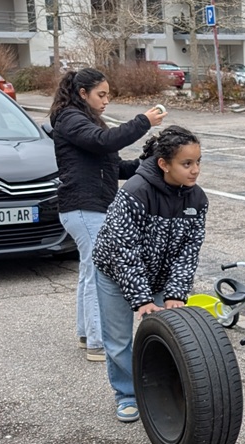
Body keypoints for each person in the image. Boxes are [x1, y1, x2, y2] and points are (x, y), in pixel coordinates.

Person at [91, 126, 206, 423]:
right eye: (187, 164)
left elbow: (188, 251)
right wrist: (141, 299)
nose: (195, 170)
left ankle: (159, 390)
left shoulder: (197, 200)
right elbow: (124, 250)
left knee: (163, 337)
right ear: (164, 164)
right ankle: (127, 394)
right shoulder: (134, 192)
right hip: (116, 273)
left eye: (197, 162)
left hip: (160, 276)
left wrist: (175, 293)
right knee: (118, 341)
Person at [50, 68, 165, 362]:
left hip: (90, 206)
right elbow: (105, 141)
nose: (106, 100)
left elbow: (115, 167)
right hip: (83, 206)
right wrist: (144, 122)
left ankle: (87, 334)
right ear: (82, 93)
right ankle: (98, 343)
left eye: (108, 95)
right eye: (101, 94)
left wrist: (148, 161)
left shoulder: (86, 121)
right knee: (98, 275)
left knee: (90, 272)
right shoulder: (71, 119)